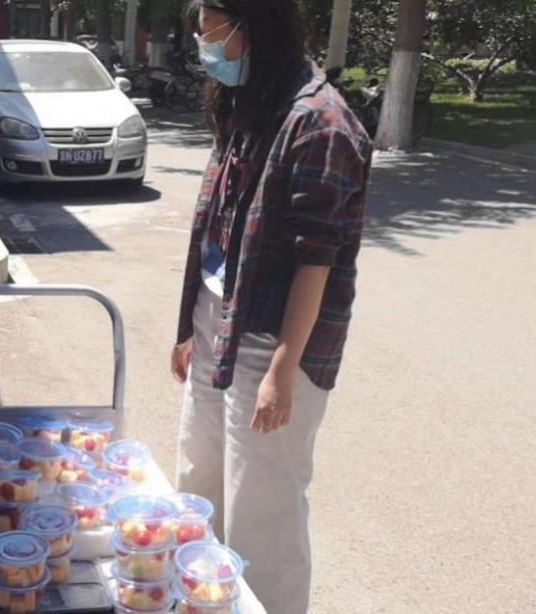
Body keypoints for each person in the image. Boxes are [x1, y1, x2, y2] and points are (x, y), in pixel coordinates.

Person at [171, 1, 372, 612]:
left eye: (210, 31)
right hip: (218, 318)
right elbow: (221, 227)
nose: (204, 45)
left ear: (250, 25)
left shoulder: (322, 124)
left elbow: (318, 262)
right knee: (199, 483)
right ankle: (201, 599)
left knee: (262, 511)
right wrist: (190, 329)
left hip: (272, 339)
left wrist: (283, 372)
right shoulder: (251, 100)